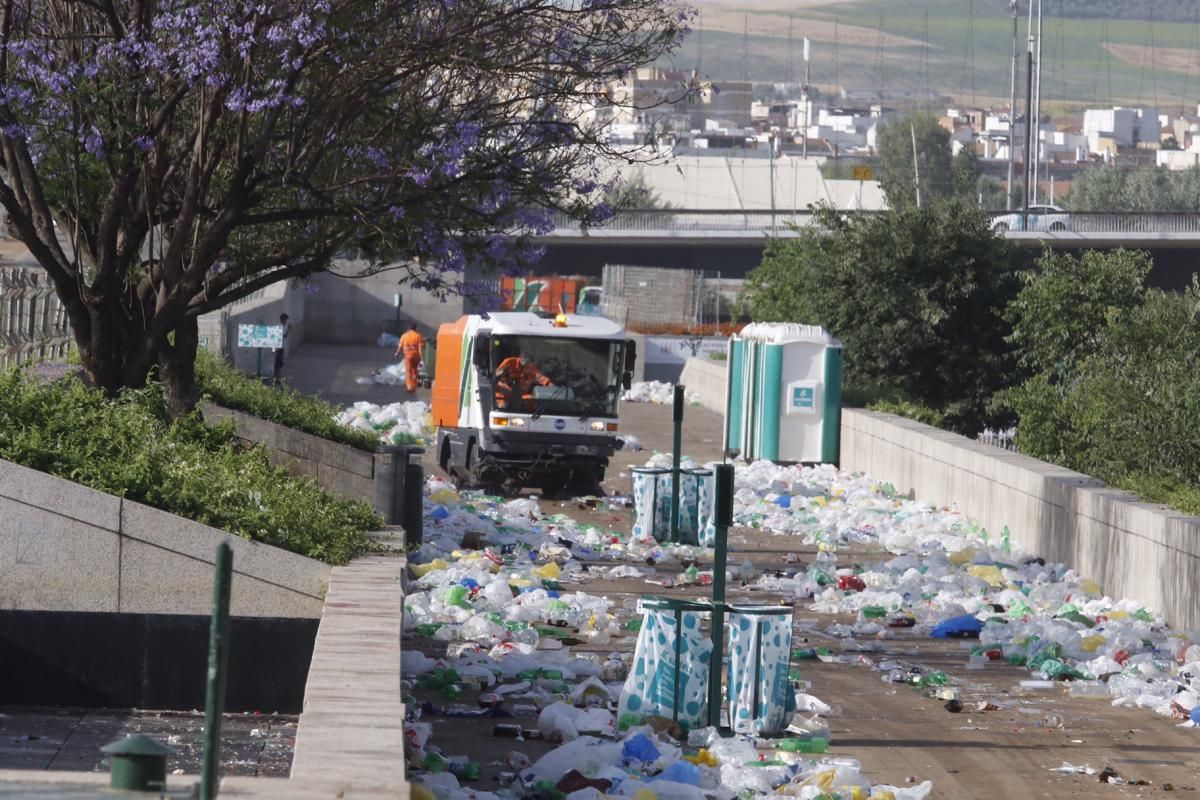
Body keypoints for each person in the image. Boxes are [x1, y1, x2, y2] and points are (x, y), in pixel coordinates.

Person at [396, 322, 424, 394]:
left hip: (408, 356)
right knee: (415, 371)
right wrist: (421, 356)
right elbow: (420, 347)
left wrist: (397, 353)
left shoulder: (404, 336)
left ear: (408, 328)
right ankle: (414, 386)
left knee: (408, 372)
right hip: (416, 356)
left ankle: (409, 387)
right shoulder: (418, 335)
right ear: (415, 328)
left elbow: (400, 346)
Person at [272, 313, 291, 386]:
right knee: (279, 364)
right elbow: (284, 336)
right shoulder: (279, 327)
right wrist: (289, 329)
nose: (286, 322)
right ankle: (277, 379)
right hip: (279, 348)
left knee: (279, 364)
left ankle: (277, 378)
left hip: (279, 348)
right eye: (286, 320)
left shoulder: (280, 326)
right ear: (283, 320)